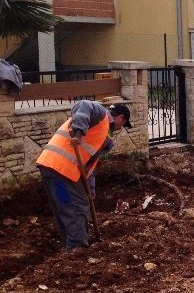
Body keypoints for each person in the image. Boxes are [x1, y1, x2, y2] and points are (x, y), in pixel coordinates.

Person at [36, 101, 132, 250]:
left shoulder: (102, 133)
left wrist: (90, 190)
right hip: (62, 171)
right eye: (124, 124)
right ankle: (77, 251)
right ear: (121, 118)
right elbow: (83, 104)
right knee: (77, 208)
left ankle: (70, 249)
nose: (121, 128)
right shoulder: (101, 114)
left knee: (65, 207)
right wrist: (79, 133)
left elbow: (88, 165)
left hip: (52, 169)